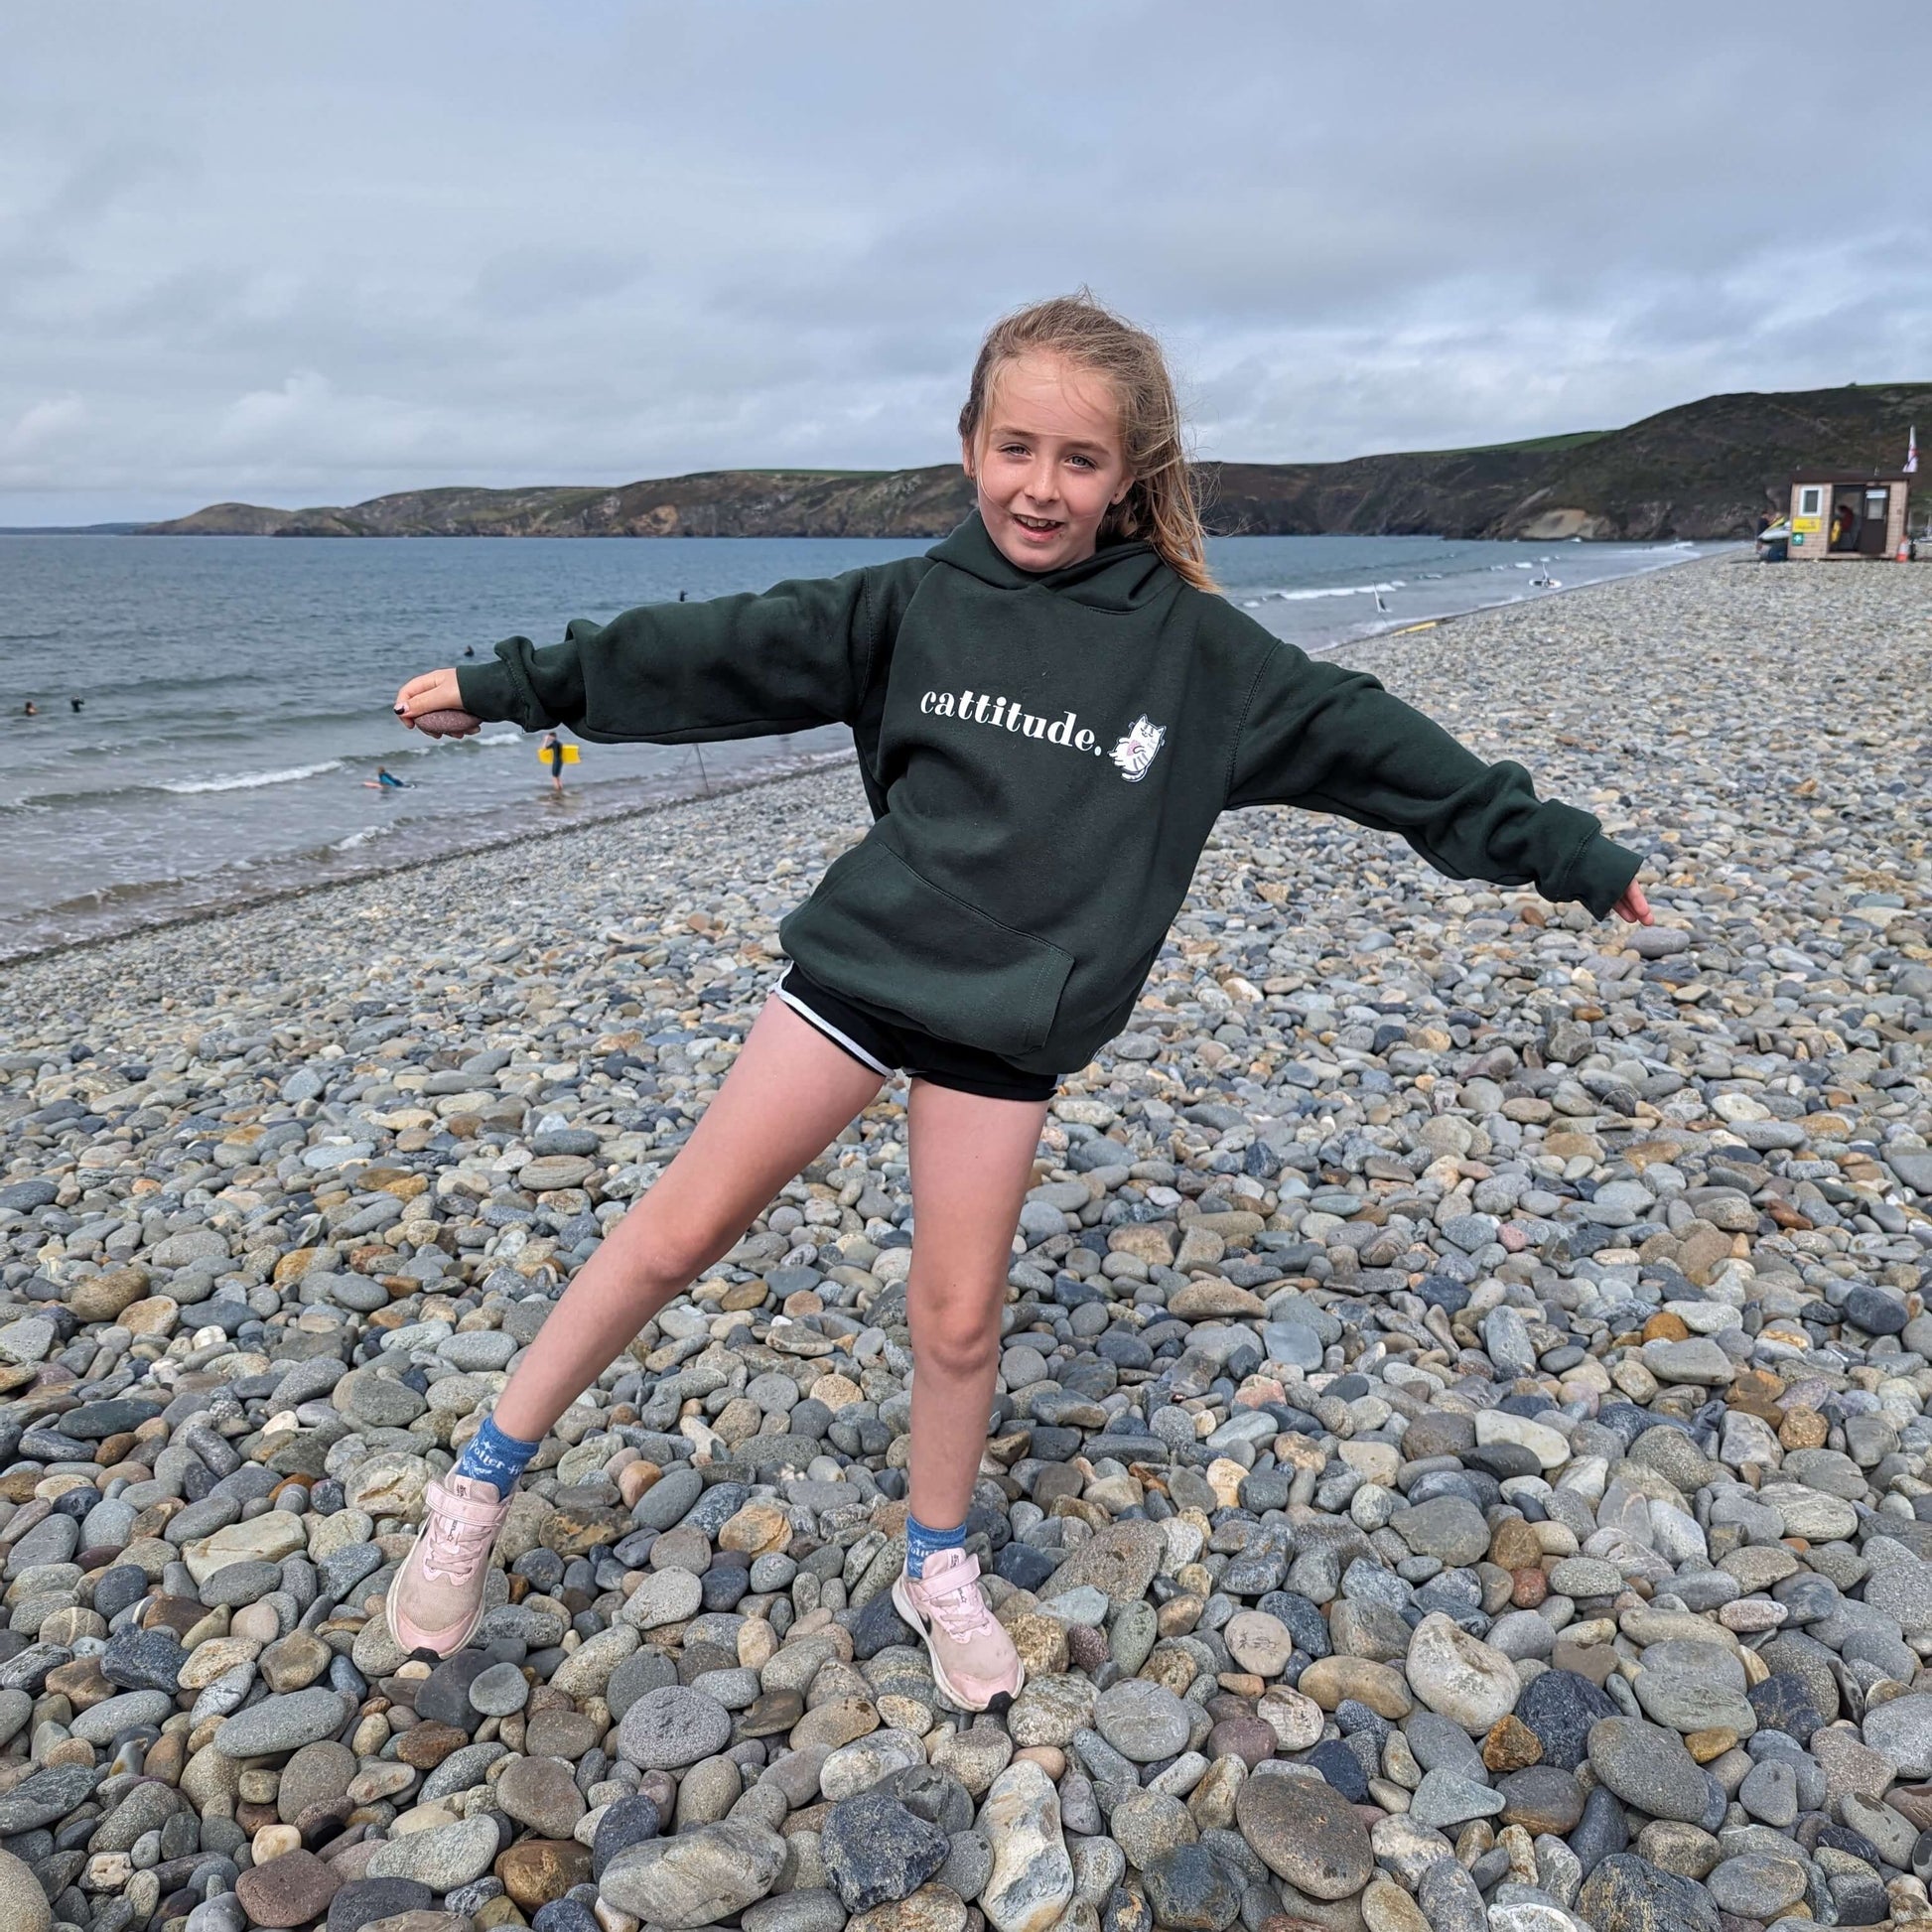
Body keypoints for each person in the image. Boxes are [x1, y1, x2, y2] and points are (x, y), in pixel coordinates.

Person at [388, 292, 1653, 1703]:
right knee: (676, 1234)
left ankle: (935, 1564)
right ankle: (476, 1489)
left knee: (959, 1318)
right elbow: (714, 649)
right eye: (1013, 449)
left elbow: (1385, 750)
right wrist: (512, 686)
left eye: (1075, 460)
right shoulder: (908, 603)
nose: (1038, 488)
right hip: (859, 976)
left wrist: (1569, 856)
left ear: (1131, 475)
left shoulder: (1198, 656)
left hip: (1006, 1022)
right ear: (969, 444)